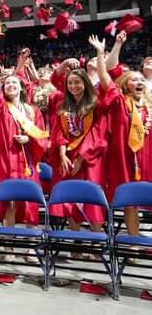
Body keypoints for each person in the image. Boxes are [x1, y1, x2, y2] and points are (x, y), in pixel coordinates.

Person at [0, 39, 48, 232]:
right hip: (6, 160)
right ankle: (8, 241)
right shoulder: (0, 107)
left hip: (27, 162)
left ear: (22, 88)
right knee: (10, 202)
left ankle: (31, 245)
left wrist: (29, 139)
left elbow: (42, 137)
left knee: (29, 202)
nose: (11, 84)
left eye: (15, 82)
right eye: (7, 83)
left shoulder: (32, 111)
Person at [47, 38, 110, 234]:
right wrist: (63, 154)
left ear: (86, 83)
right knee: (71, 197)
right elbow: (59, 132)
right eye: (70, 83)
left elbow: (98, 134)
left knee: (92, 197)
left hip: (90, 158)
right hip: (68, 157)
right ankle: (76, 238)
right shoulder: (63, 105)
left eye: (77, 82)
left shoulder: (96, 104)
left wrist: (82, 157)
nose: (73, 86)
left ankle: (96, 239)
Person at [96, 33, 150, 237]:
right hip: (126, 158)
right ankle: (134, 238)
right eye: (134, 79)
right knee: (130, 202)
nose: (138, 81)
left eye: (141, 79)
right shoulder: (119, 102)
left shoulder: (149, 105)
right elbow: (105, 78)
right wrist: (103, 52)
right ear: (126, 84)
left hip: (148, 157)